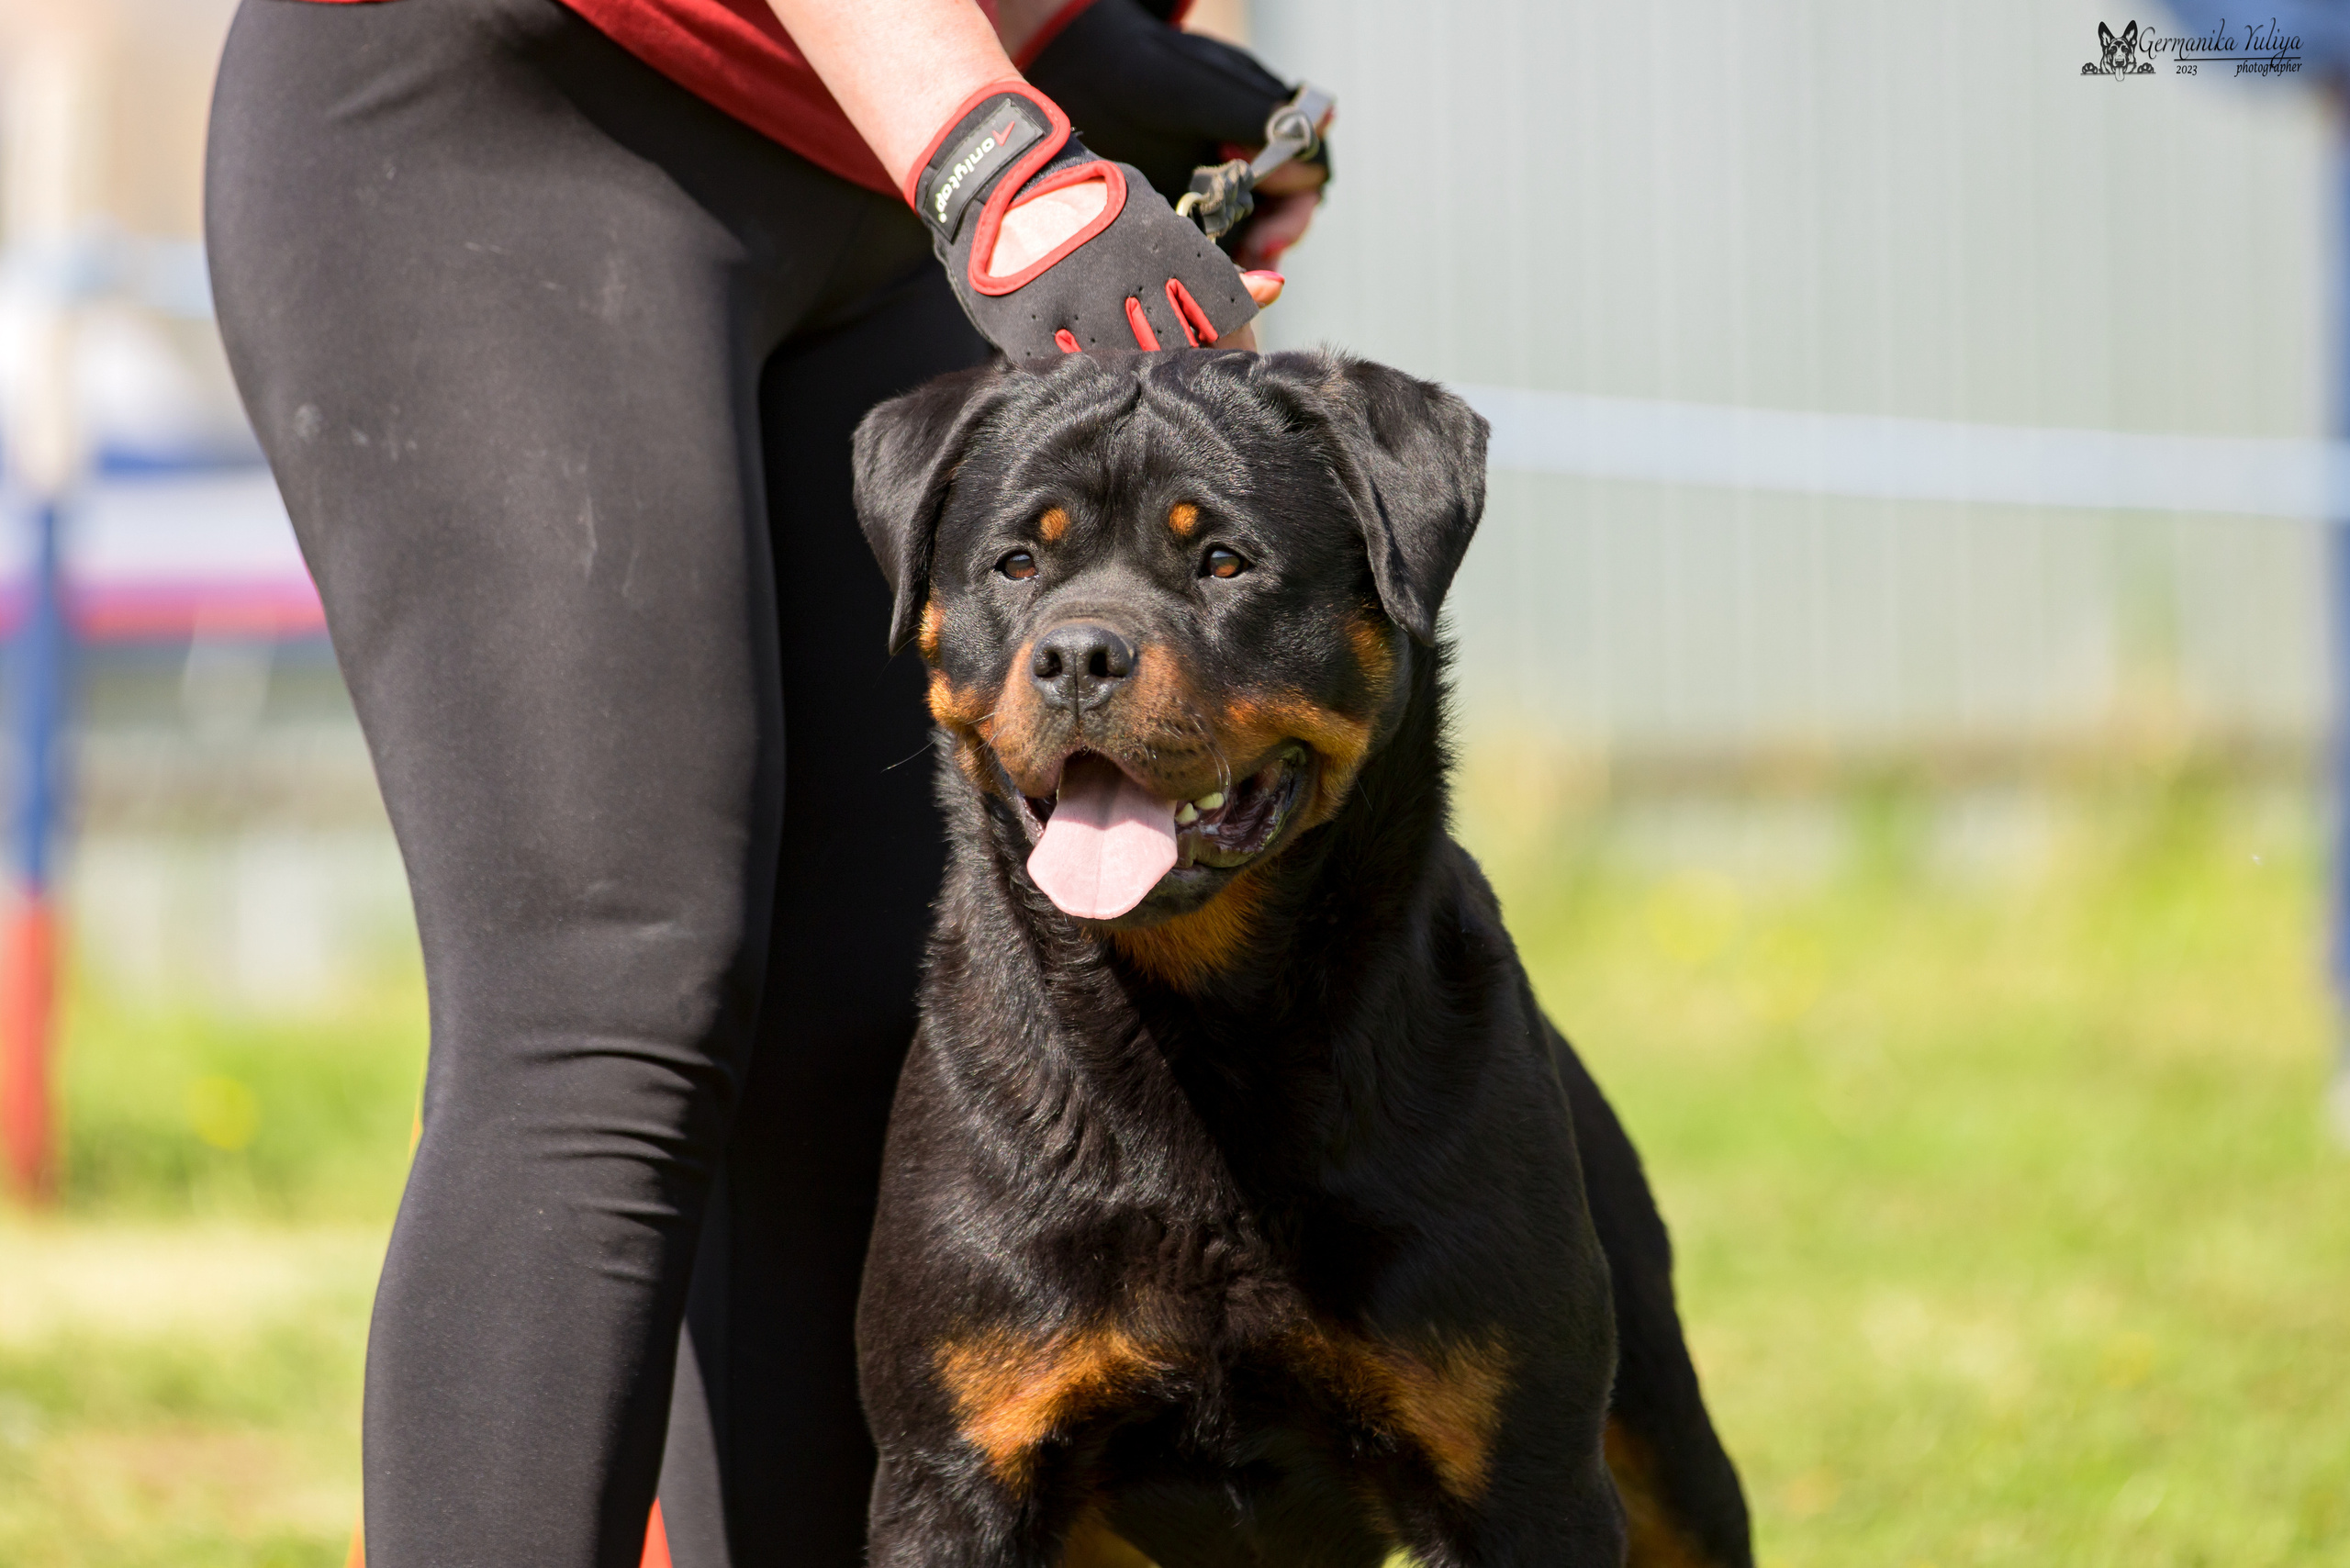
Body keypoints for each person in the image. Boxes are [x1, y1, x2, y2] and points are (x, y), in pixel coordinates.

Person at [201, 1, 1326, 1563]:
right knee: (611, 1015)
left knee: (874, 1036)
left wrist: (1076, 35)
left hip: (869, 159)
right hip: (515, 106)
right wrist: (996, 152)